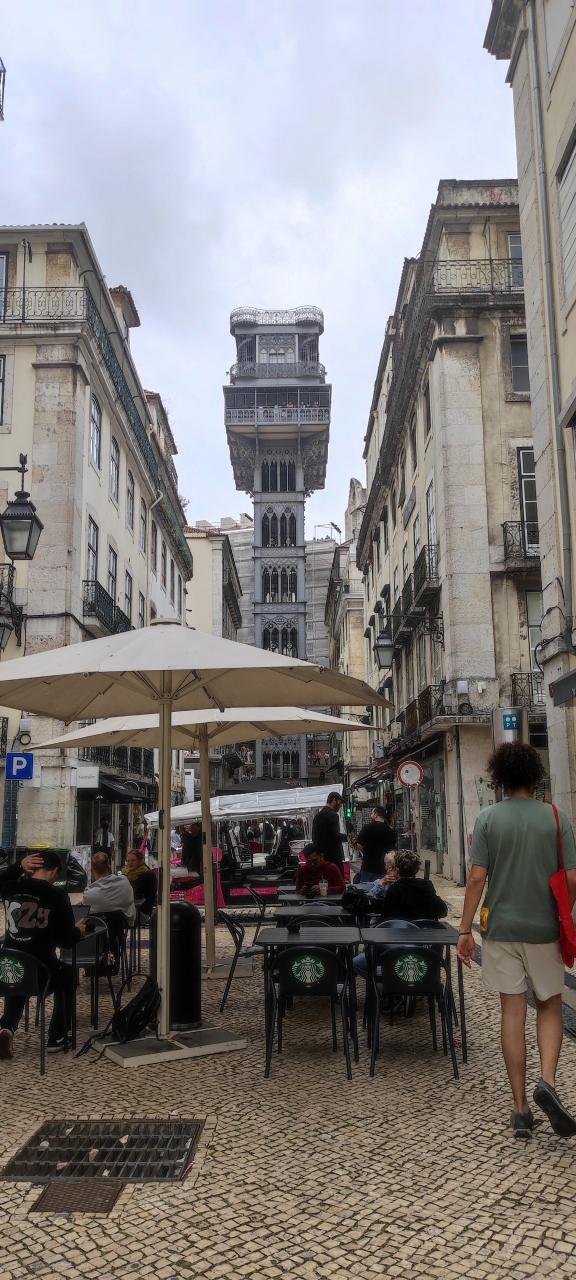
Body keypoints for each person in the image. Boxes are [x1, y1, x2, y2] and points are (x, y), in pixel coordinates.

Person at [457, 743, 576, 1140]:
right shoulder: (556, 817)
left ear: (499, 779)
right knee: (550, 1004)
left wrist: (464, 929)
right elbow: (572, 877)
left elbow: (477, 878)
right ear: (535, 777)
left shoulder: (488, 819)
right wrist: (563, 912)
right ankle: (547, 1082)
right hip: (544, 929)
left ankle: (521, 1109)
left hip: (501, 928)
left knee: (512, 1010)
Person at [0, 851, 86, 1057]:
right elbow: (66, 941)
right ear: (55, 871)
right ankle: (57, 1036)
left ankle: (6, 1028)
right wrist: (78, 930)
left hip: (8, 967)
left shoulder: (11, 887)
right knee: (68, 976)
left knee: (17, 977)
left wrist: (17, 867)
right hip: (42, 972)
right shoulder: (56, 895)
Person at [377, 849, 448, 921]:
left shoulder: (394, 889)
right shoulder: (427, 886)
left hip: (402, 928)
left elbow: (386, 920)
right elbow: (443, 911)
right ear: (416, 869)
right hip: (426, 927)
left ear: (397, 869)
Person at [83, 852, 136, 924]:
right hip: (122, 925)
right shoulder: (124, 881)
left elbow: (86, 911)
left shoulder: (88, 893)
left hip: (99, 928)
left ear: (92, 871)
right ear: (109, 867)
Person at [355, 805, 396, 882]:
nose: (371, 815)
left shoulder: (367, 827)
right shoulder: (390, 830)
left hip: (368, 867)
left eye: (372, 813)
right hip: (383, 868)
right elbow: (392, 850)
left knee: (366, 888)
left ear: (376, 814)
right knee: (381, 887)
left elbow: (359, 844)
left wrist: (366, 851)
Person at [311, 792, 346, 871]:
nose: (340, 805)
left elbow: (314, 837)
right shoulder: (333, 815)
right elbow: (335, 836)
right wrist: (348, 837)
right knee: (337, 878)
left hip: (321, 857)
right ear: (333, 800)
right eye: (340, 802)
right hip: (333, 857)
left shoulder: (317, 816)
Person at [123, 848, 157, 917]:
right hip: (128, 910)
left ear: (140, 861)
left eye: (133, 860)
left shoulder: (147, 875)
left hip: (141, 912)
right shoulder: (126, 873)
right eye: (128, 860)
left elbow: (136, 894)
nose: (130, 863)